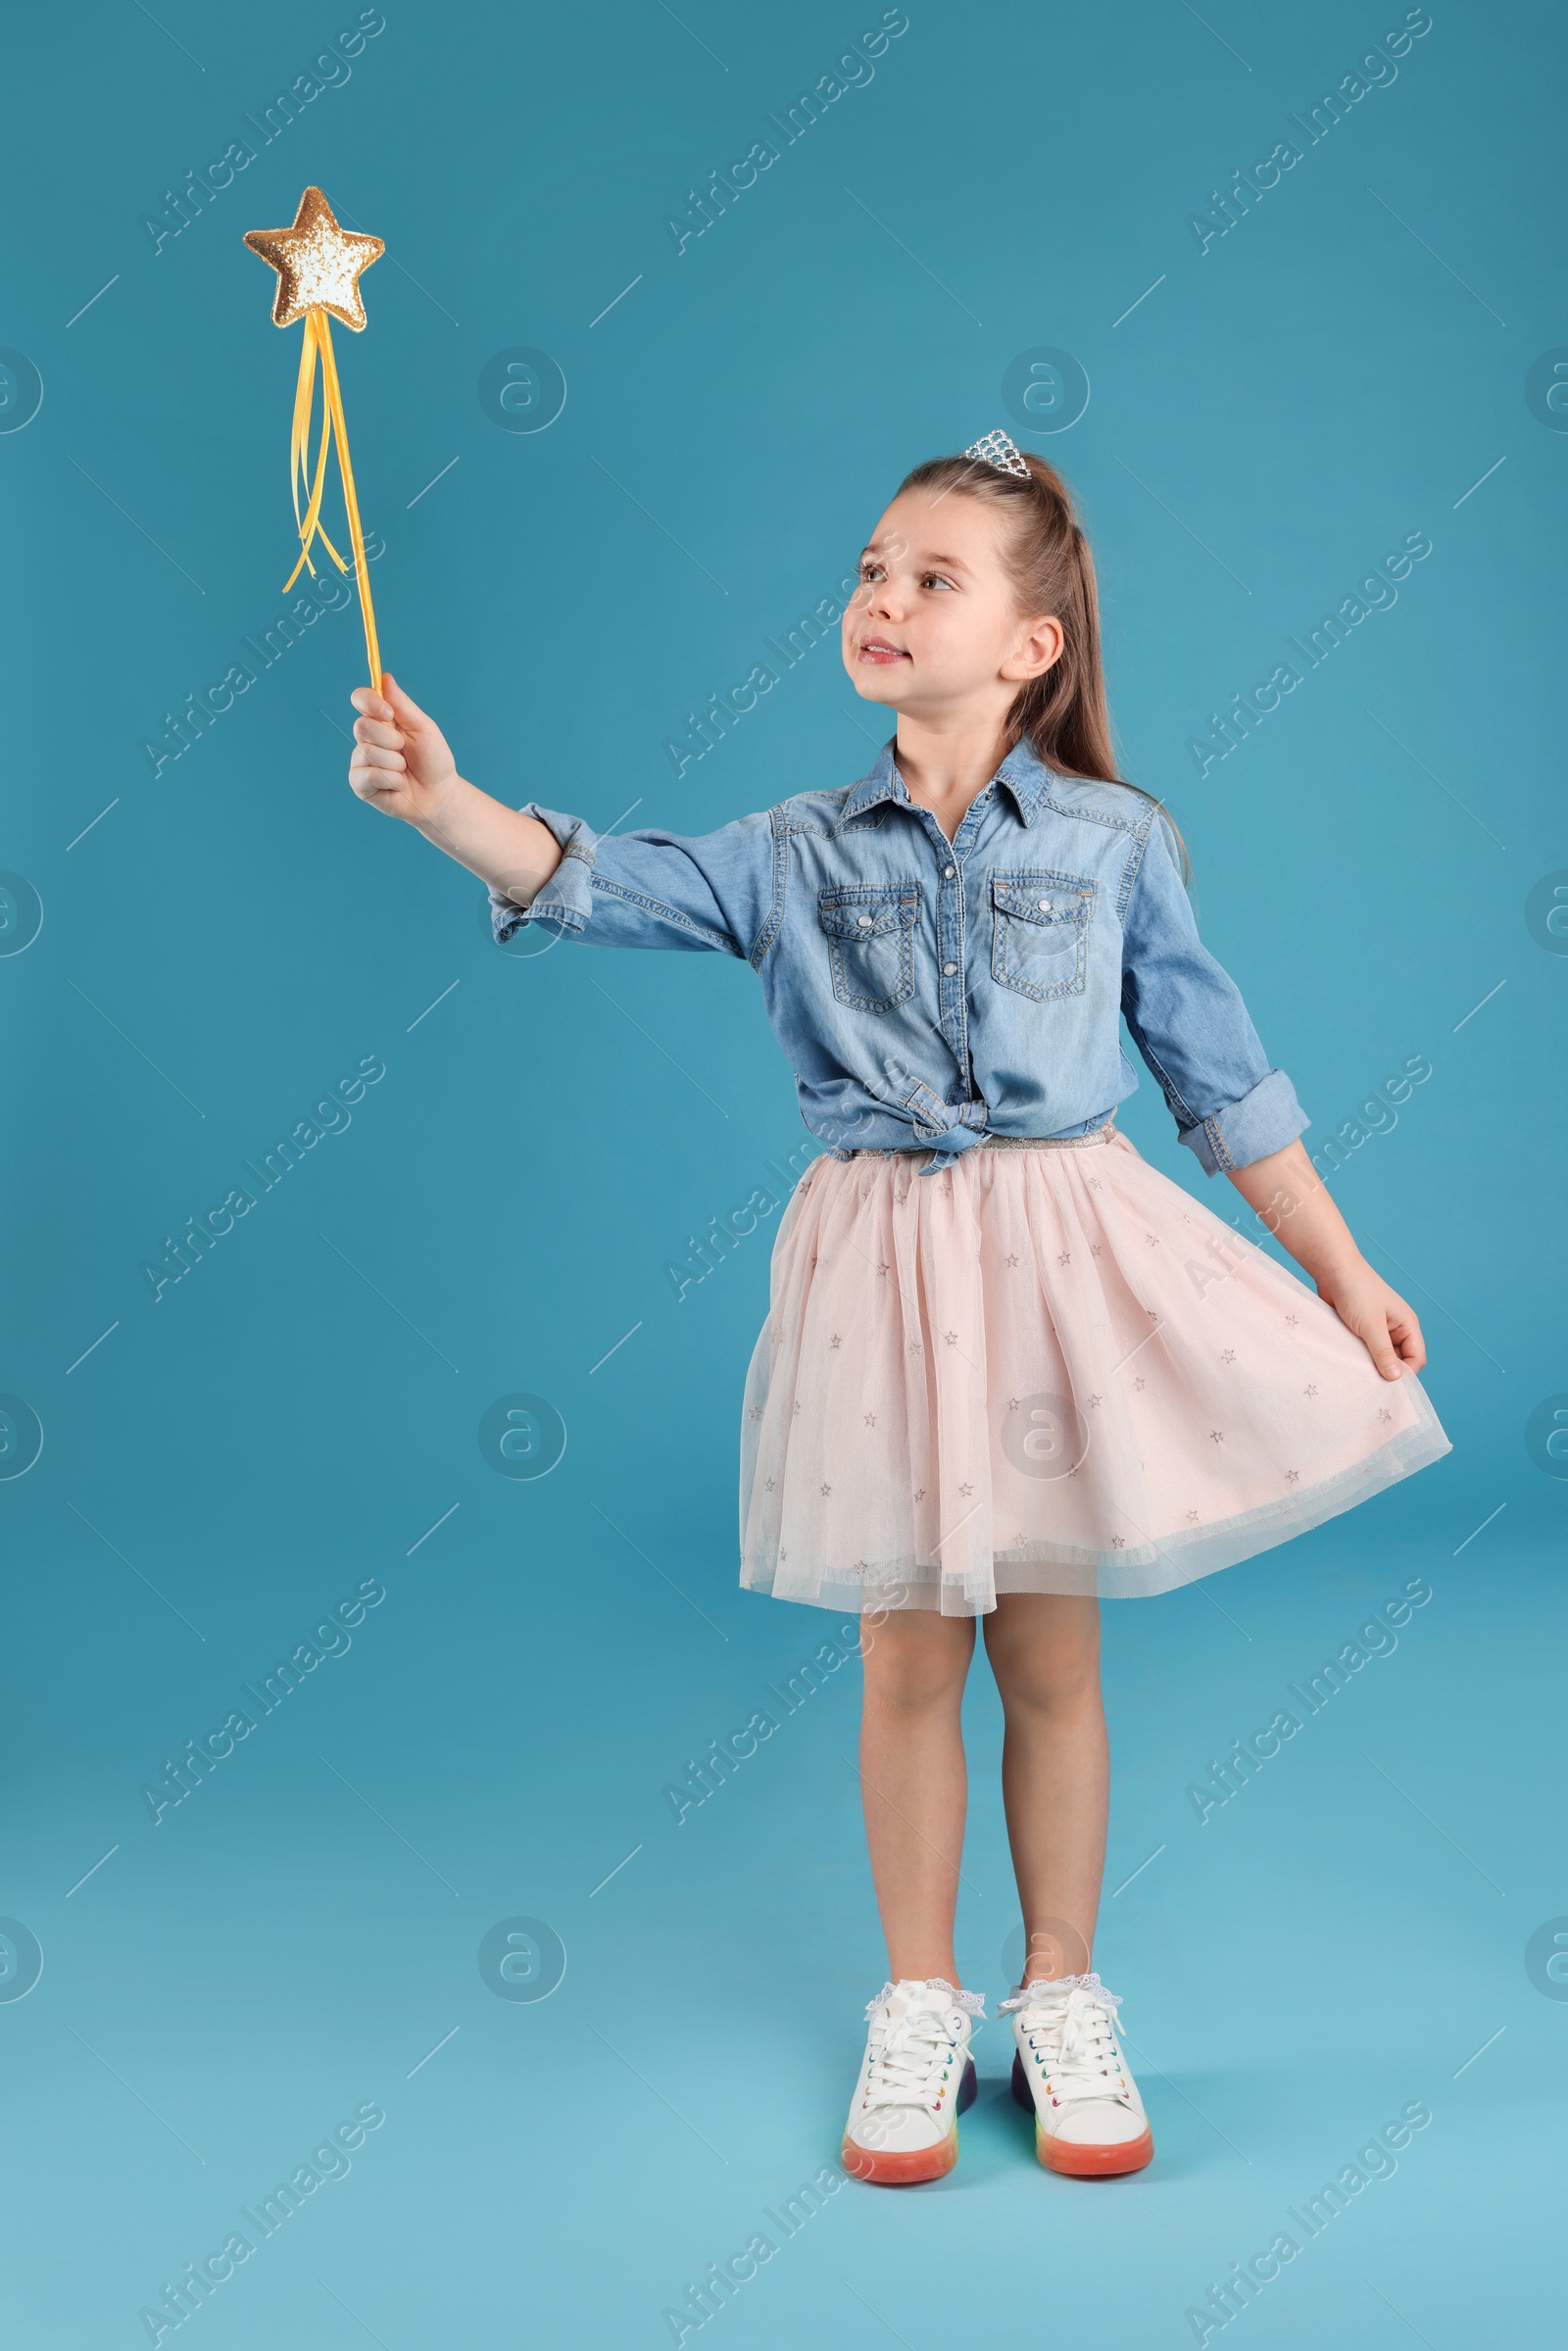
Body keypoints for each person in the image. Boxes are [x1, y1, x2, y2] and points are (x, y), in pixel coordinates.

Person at [347, 428, 1449, 2189]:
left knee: (1051, 1652)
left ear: (1033, 645)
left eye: (933, 577)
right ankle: (918, 1999)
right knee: (907, 1653)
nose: (882, 597)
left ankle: (1063, 1993)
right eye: (872, 568)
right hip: (885, 1271)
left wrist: (1346, 1269)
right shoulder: (791, 851)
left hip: (1063, 1265)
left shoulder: (1115, 840)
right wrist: (440, 805)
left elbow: (1221, 1080)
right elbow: (585, 876)